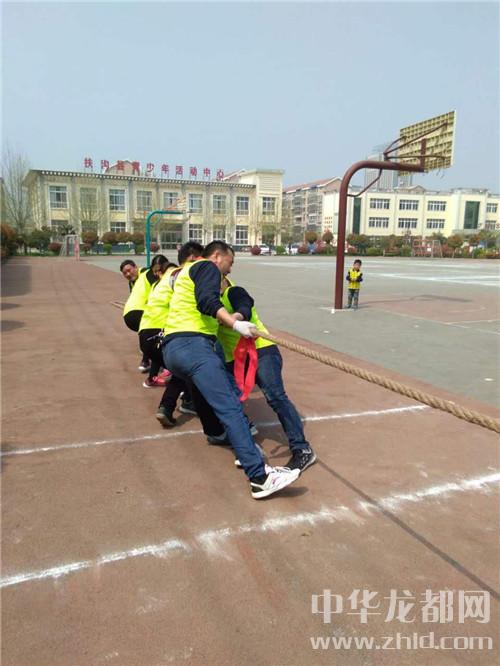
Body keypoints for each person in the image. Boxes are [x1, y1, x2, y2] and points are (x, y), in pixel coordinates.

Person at [161, 240, 300, 499]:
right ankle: (259, 477)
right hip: (194, 346)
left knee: (222, 394)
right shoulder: (207, 267)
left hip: (172, 349)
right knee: (231, 408)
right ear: (217, 256)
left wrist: (233, 319)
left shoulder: (182, 275)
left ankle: (237, 445)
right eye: (230, 262)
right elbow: (206, 301)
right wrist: (236, 325)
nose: (230, 269)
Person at [218, 277, 316, 473]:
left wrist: (235, 319)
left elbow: (245, 305)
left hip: (262, 351)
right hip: (235, 359)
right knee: (230, 403)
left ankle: (302, 448)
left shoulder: (232, 291)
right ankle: (248, 448)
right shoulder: (208, 301)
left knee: (275, 397)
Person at [122, 255, 168, 373]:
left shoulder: (147, 273)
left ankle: (147, 361)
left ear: (135, 267)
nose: (128, 274)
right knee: (158, 331)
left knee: (146, 333)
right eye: (125, 273)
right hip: (139, 311)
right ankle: (155, 362)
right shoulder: (135, 281)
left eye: (129, 270)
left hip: (129, 315)